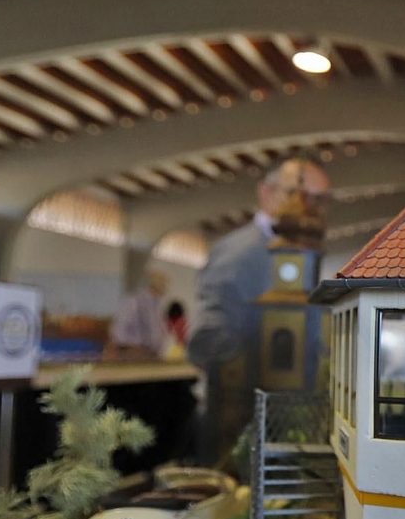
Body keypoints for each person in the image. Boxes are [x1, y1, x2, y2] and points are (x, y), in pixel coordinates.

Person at [187, 156, 330, 457]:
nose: (308, 207)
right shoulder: (238, 254)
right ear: (266, 193)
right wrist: (258, 371)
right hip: (241, 422)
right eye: (294, 193)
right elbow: (205, 339)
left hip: (289, 418)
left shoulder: (307, 256)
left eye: (318, 199)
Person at [108, 268, 168, 359]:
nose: (165, 286)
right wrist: (134, 347)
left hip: (152, 355)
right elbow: (119, 330)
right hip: (134, 354)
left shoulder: (157, 306)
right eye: (162, 282)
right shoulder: (133, 301)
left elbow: (158, 332)